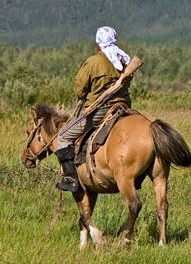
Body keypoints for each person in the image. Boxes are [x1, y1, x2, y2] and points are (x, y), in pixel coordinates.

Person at [53, 26, 134, 192]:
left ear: (98, 44)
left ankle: (71, 179)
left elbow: (79, 89)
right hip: (124, 106)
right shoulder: (123, 59)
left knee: (62, 137)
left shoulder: (93, 62)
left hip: (101, 111)